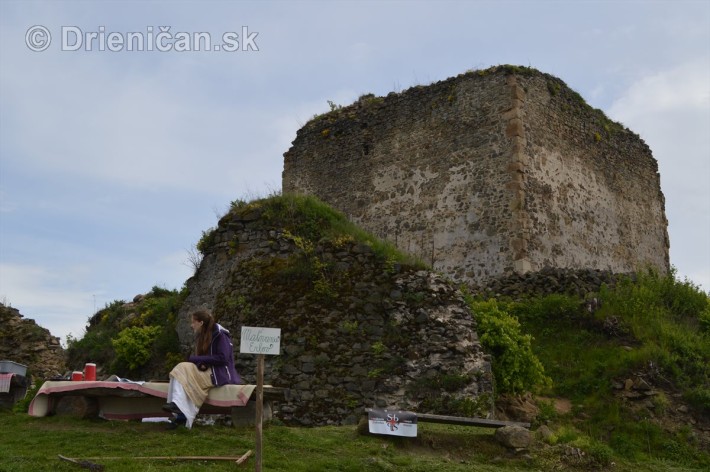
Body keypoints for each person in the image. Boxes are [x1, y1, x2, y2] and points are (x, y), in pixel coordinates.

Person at [162, 309, 240, 429]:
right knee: (179, 372)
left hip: (220, 374)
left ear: (201, 323)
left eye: (193, 322)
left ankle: (179, 409)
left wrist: (197, 360)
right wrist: (200, 363)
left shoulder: (220, 334)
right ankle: (178, 411)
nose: (191, 325)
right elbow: (204, 359)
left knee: (182, 369)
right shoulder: (202, 336)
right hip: (209, 371)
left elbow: (223, 358)